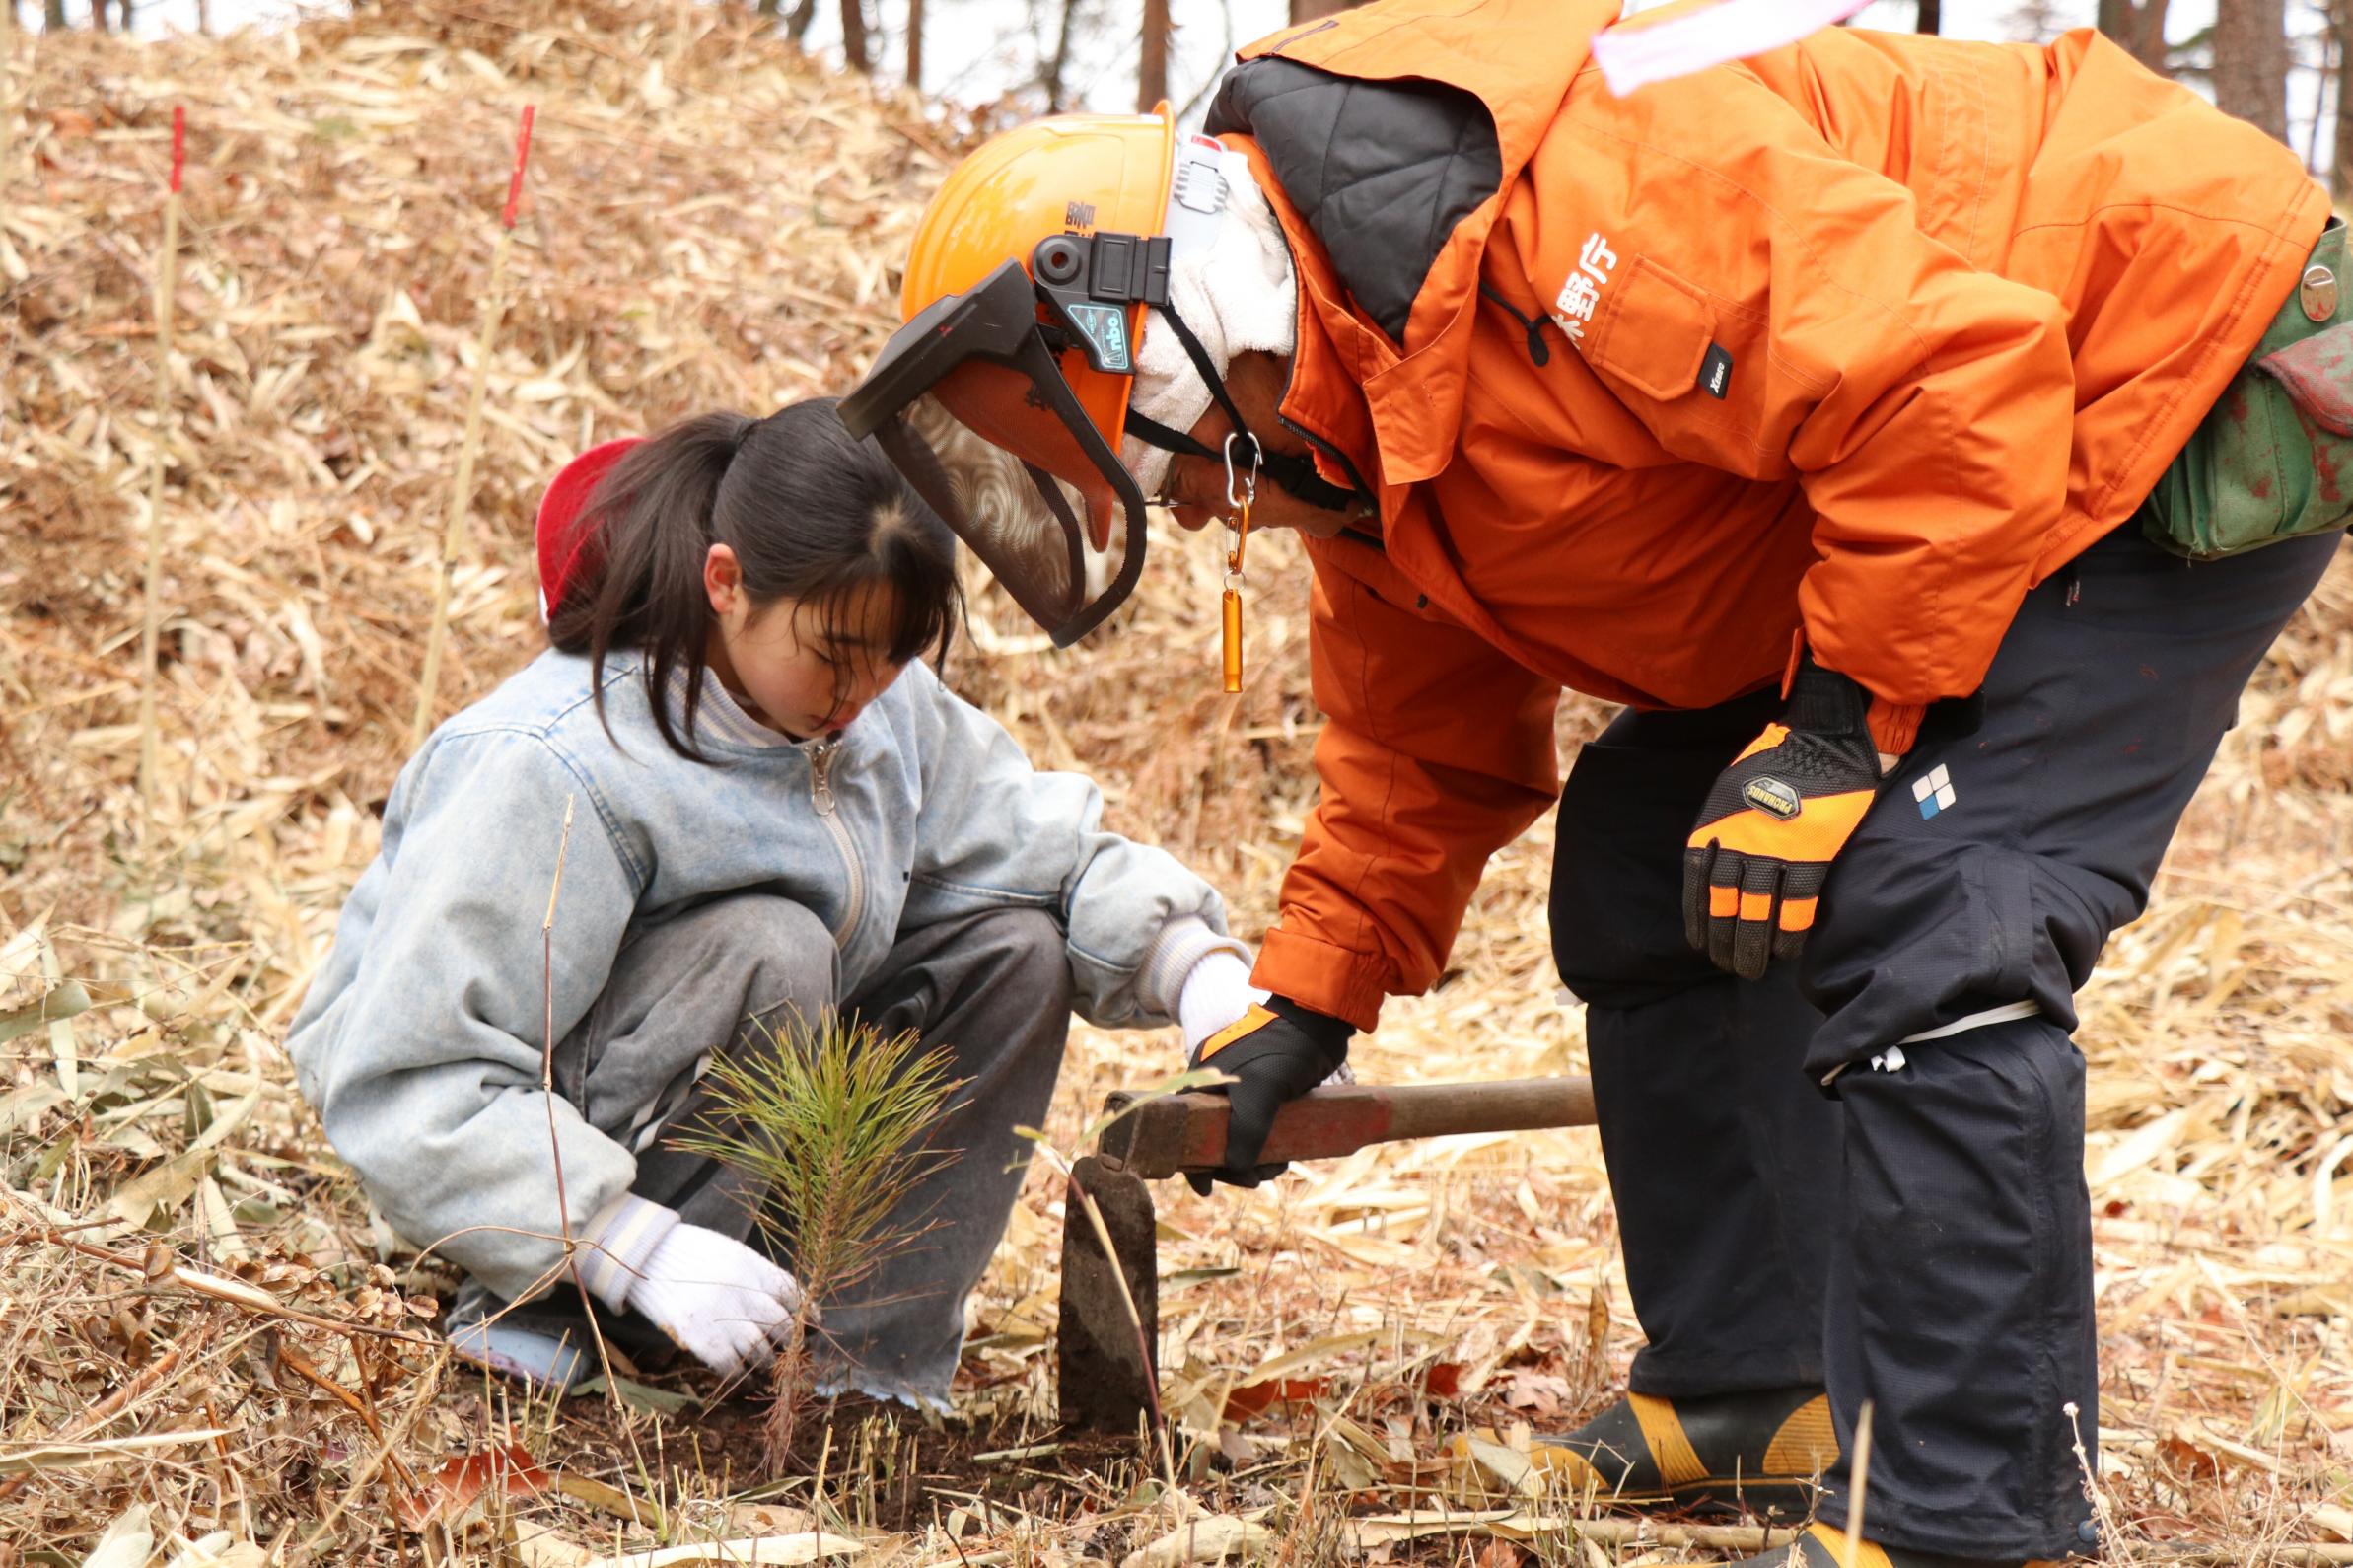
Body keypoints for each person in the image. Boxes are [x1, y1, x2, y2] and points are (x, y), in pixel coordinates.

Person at [838, 2, 2352, 1560]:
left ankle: (1968, 1515)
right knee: (1643, 853)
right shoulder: (1351, 400)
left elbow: (1948, 376)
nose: (1195, 510)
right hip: (1936, 453)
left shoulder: (1574, 203)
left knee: (1929, 901)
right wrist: (1302, 1003)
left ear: (1164, 337)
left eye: (1157, 469)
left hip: (2161, 366)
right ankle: (1755, 1387)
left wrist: (1835, 730)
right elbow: (1414, 741)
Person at [286, 399, 1265, 1407]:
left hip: (741, 1143)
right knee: (771, 946)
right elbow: (408, 1081)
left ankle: (852, 1379)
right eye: (835, 652)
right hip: (537, 1173)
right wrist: (629, 1246)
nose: (860, 694)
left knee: (1013, 951)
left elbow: (1044, 853)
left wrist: (1208, 982)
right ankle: (566, 1313)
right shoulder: (552, 762)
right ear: (726, 583)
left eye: (893, 656)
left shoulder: (874, 706)